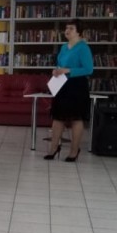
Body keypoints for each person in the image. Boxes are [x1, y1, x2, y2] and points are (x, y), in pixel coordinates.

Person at [45, 19, 93, 162]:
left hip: (77, 86)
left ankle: (74, 151)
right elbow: (60, 64)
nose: (67, 31)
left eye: (71, 28)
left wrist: (68, 70)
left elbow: (88, 69)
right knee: (57, 117)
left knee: (76, 119)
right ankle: (53, 148)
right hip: (62, 85)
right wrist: (56, 70)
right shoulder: (64, 47)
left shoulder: (83, 48)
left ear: (79, 32)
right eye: (66, 28)